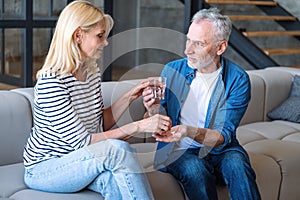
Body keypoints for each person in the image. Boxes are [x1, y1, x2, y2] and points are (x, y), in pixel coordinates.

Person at [23, 1, 172, 199]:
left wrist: (131, 94)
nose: (106, 42)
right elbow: (84, 142)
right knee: (117, 150)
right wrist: (140, 126)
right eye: (100, 36)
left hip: (79, 161)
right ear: (78, 35)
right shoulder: (52, 83)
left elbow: (100, 124)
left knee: (114, 180)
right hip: (45, 169)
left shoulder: (90, 73)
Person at [142, 7, 261, 200]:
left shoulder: (237, 79)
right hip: (177, 150)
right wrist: (153, 108)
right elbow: (156, 124)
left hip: (221, 149)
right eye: (188, 40)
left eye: (198, 43)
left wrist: (188, 131)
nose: (187, 50)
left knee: (238, 164)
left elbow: (223, 136)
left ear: (220, 47)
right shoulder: (172, 71)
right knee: (195, 169)